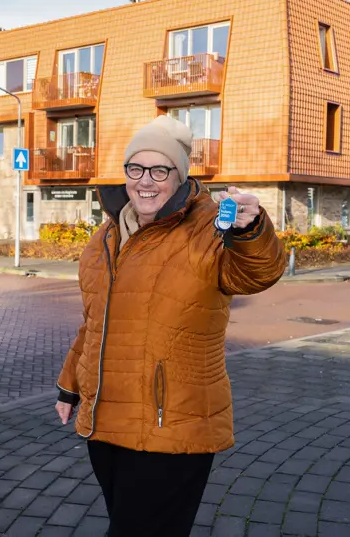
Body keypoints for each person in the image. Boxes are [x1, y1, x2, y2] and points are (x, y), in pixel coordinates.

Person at [54, 115, 286, 537]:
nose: (146, 181)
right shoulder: (105, 237)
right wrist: (70, 385)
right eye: (136, 168)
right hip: (106, 421)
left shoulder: (209, 227)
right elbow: (94, 322)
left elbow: (257, 273)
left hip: (173, 423)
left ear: (179, 177)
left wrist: (251, 230)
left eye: (160, 170)